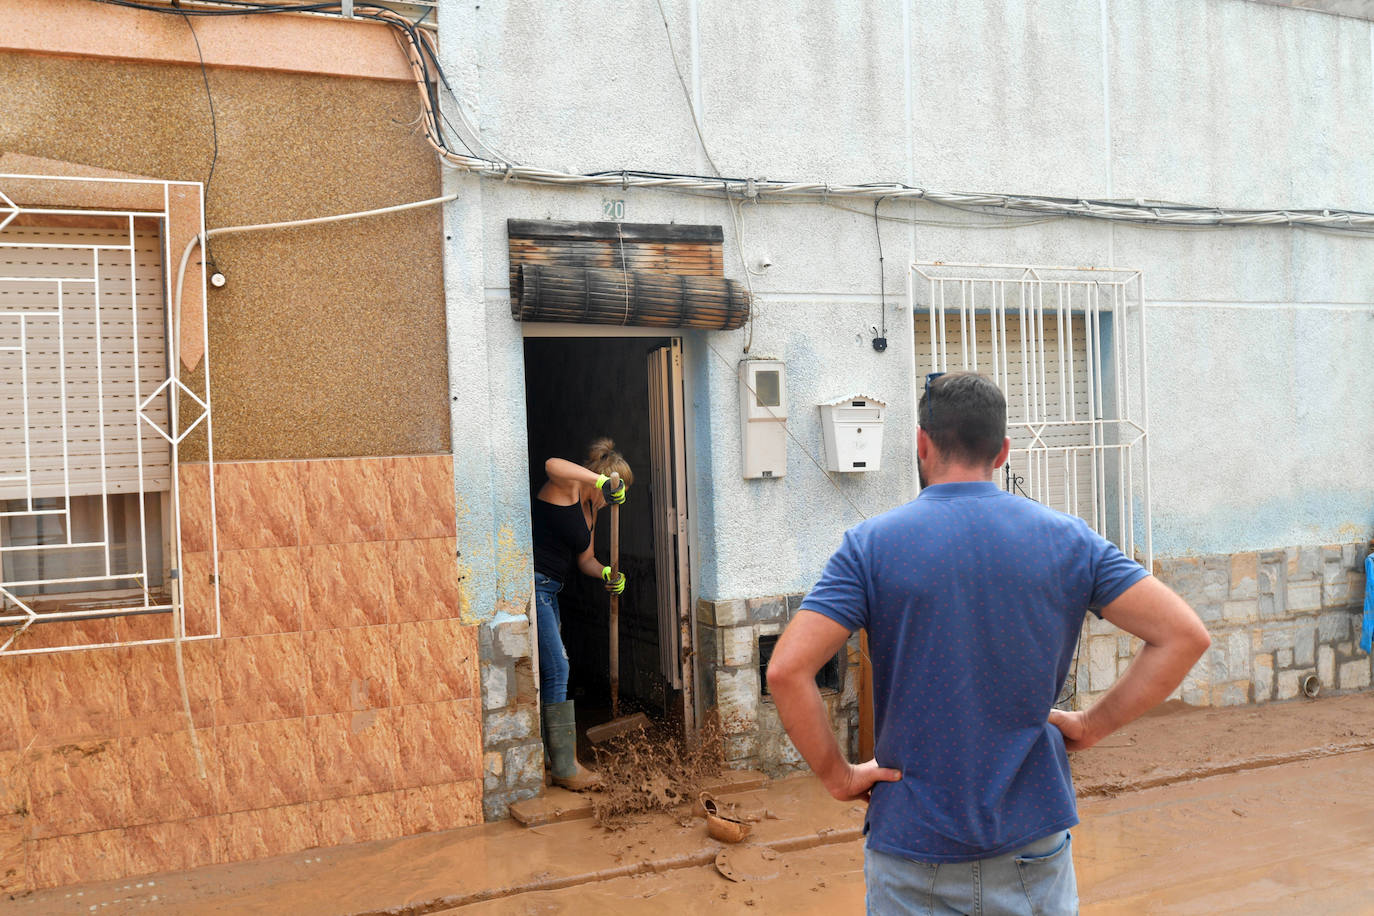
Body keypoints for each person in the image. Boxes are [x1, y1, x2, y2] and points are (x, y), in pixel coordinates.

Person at [768, 371, 1210, 915]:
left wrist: (839, 778)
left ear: (922, 444)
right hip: (1032, 842)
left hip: (913, 845)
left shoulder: (870, 547)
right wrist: (1091, 725)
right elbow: (1184, 636)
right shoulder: (1069, 540)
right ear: (1001, 452)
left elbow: (787, 671)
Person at [532, 437, 632, 791]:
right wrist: (599, 482)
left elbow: (585, 559)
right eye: (615, 491)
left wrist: (607, 572)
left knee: (552, 671)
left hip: (553, 590)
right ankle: (564, 767)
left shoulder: (591, 513)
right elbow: (550, 462)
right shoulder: (571, 486)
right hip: (536, 587)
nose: (615, 499)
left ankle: (548, 754)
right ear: (603, 481)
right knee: (559, 667)